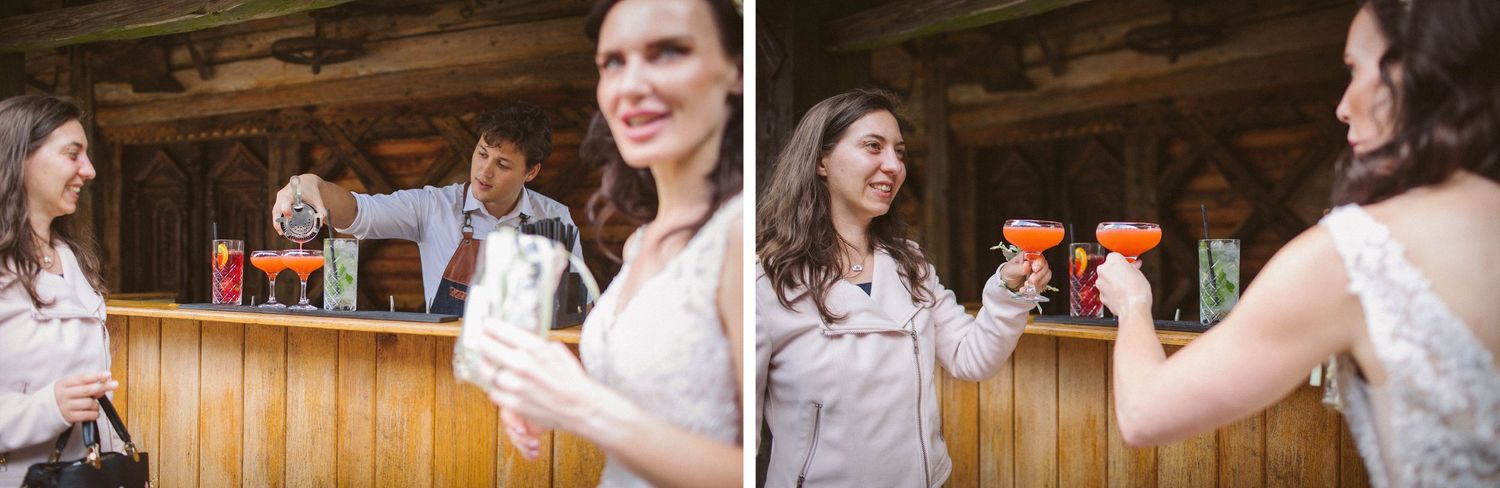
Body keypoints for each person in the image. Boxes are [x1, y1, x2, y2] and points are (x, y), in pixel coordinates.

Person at [1096, 1, 1499, 485]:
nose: (1343, 106)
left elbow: (1143, 413)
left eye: (1354, 69)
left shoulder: (1357, 254)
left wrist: (1133, 303)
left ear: (1419, 70)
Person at [469, 0, 745, 486]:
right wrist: (551, 401)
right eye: (613, 62)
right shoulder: (643, 240)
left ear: (736, 70)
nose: (632, 85)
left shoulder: (740, 230)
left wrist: (583, 405)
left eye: (668, 52)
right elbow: (654, 412)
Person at [755, 89, 1053, 487]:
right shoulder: (767, 279)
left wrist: (1008, 293)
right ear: (821, 160)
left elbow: (971, 358)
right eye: (873, 147)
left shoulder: (910, 264)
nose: (893, 165)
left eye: (899, 151)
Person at [269, 102, 580, 314]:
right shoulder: (432, 206)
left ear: (531, 172)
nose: (484, 172)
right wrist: (312, 183)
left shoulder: (555, 218)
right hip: (446, 369)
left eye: (502, 164)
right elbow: (358, 213)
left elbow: (580, 305)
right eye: (482, 154)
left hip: (524, 378)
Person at [0, 95, 121, 486]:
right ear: (19, 157)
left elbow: (95, 394)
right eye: (73, 154)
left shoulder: (74, 260)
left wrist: (117, 462)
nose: (89, 170)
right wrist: (47, 407)